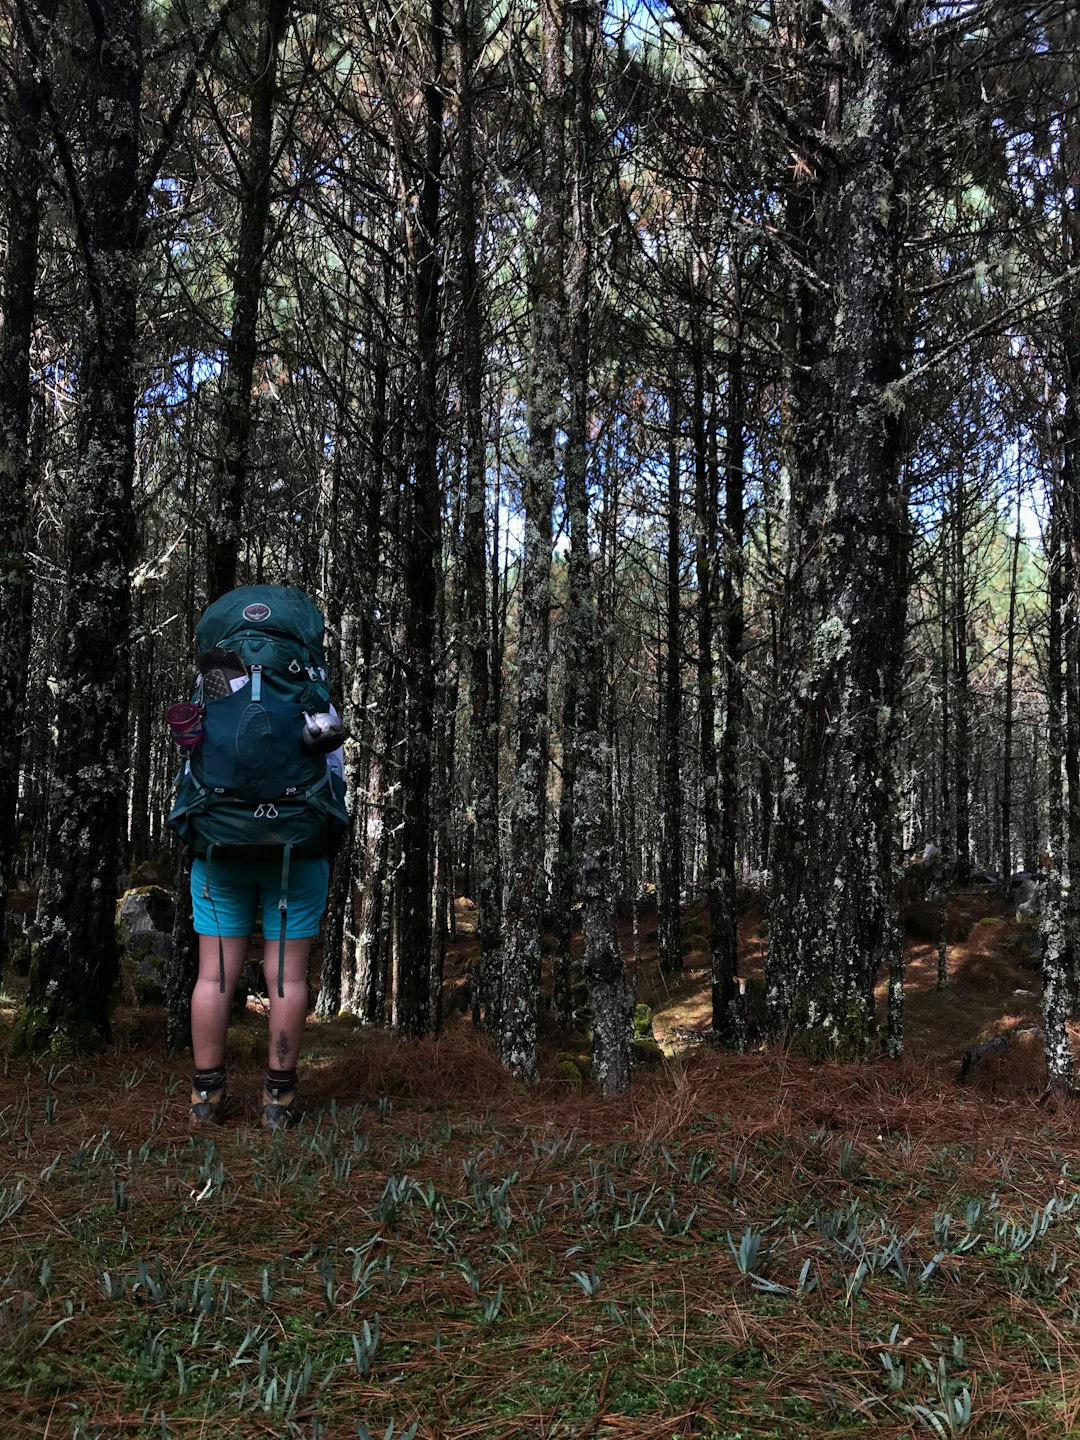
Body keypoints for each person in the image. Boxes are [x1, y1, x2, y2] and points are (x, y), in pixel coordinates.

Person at [188, 733, 344, 1131]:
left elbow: (192, 769)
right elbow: (334, 777)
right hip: (296, 851)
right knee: (287, 978)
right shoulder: (309, 689)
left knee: (213, 976)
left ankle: (205, 1098)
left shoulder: (213, 687)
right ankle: (278, 1100)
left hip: (220, 848)